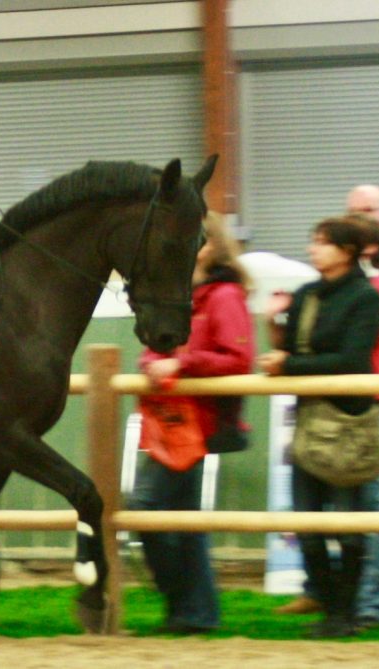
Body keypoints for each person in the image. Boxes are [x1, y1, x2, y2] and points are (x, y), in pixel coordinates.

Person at [129, 212, 254, 634]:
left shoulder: (224, 297)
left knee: (147, 510)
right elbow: (155, 348)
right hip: (172, 423)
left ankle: (186, 605)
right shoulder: (181, 297)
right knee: (182, 520)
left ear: (211, 245)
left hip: (201, 424)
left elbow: (238, 359)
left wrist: (179, 365)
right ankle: (194, 613)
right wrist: (156, 363)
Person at [258, 217, 379, 638]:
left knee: (349, 526)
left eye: (323, 243)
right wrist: (274, 325)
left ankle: (344, 615)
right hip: (310, 421)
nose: (314, 249)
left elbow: (353, 359)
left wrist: (289, 364)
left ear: (347, 251)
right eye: (314, 241)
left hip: (348, 422)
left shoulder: (366, 297)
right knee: (307, 524)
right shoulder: (307, 294)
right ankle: (332, 611)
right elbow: (290, 349)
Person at [342, 214, 379, 629]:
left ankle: (378, 604)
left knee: (377, 509)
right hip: (378, 405)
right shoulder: (378, 288)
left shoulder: (375, 290)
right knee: (375, 508)